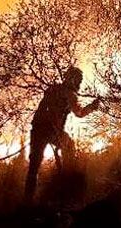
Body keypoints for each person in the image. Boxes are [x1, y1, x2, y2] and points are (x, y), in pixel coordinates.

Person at [24, 66, 100, 203]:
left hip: (37, 129)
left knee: (34, 167)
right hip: (51, 130)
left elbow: (43, 109)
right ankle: (67, 180)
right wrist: (92, 107)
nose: (79, 84)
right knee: (69, 146)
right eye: (78, 80)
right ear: (72, 79)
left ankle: (27, 201)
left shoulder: (52, 89)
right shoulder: (69, 94)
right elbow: (79, 113)